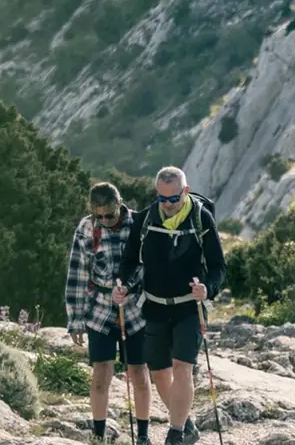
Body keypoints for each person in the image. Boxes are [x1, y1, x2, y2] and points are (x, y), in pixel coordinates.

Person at [113, 166, 225, 445]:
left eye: (173, 199)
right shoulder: (146, 219)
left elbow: (218, 267)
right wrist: (123, 285)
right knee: (159, 372)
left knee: (182, 366)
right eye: (161, 198)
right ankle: (186, 423)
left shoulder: (201, 218)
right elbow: (129, 261)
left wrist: (207, 289)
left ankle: (174, 434)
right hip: (154, 306)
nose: (167, 204)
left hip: (189, 307)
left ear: (184, 192)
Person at [65, 182, 153, 443]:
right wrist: (75, 320)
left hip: (135, 310)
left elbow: (151, 266)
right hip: (100, 311)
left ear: (120, 204)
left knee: (138, 373)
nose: (104, 220)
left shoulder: (139, 224)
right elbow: (77, 275)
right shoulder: (86, 228)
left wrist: (131, 287)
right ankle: (99, 435)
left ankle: (144, 435)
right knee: (101, 373)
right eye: (98, 215)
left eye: (109, 215)